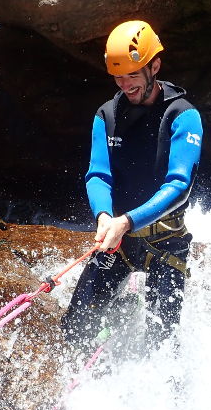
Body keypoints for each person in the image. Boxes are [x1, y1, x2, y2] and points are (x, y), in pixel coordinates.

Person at [61, 20, 203, 349]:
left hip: (165, 243)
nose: (125, 84)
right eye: (118, 76)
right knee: (75, 330)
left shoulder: (183, 116)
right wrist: (103, 217)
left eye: (133, 75)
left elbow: (180, 185)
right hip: (118, 242)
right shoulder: (106, 115)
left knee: (160, 346)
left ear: (155, 66)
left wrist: (126, 222)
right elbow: (98, 174)